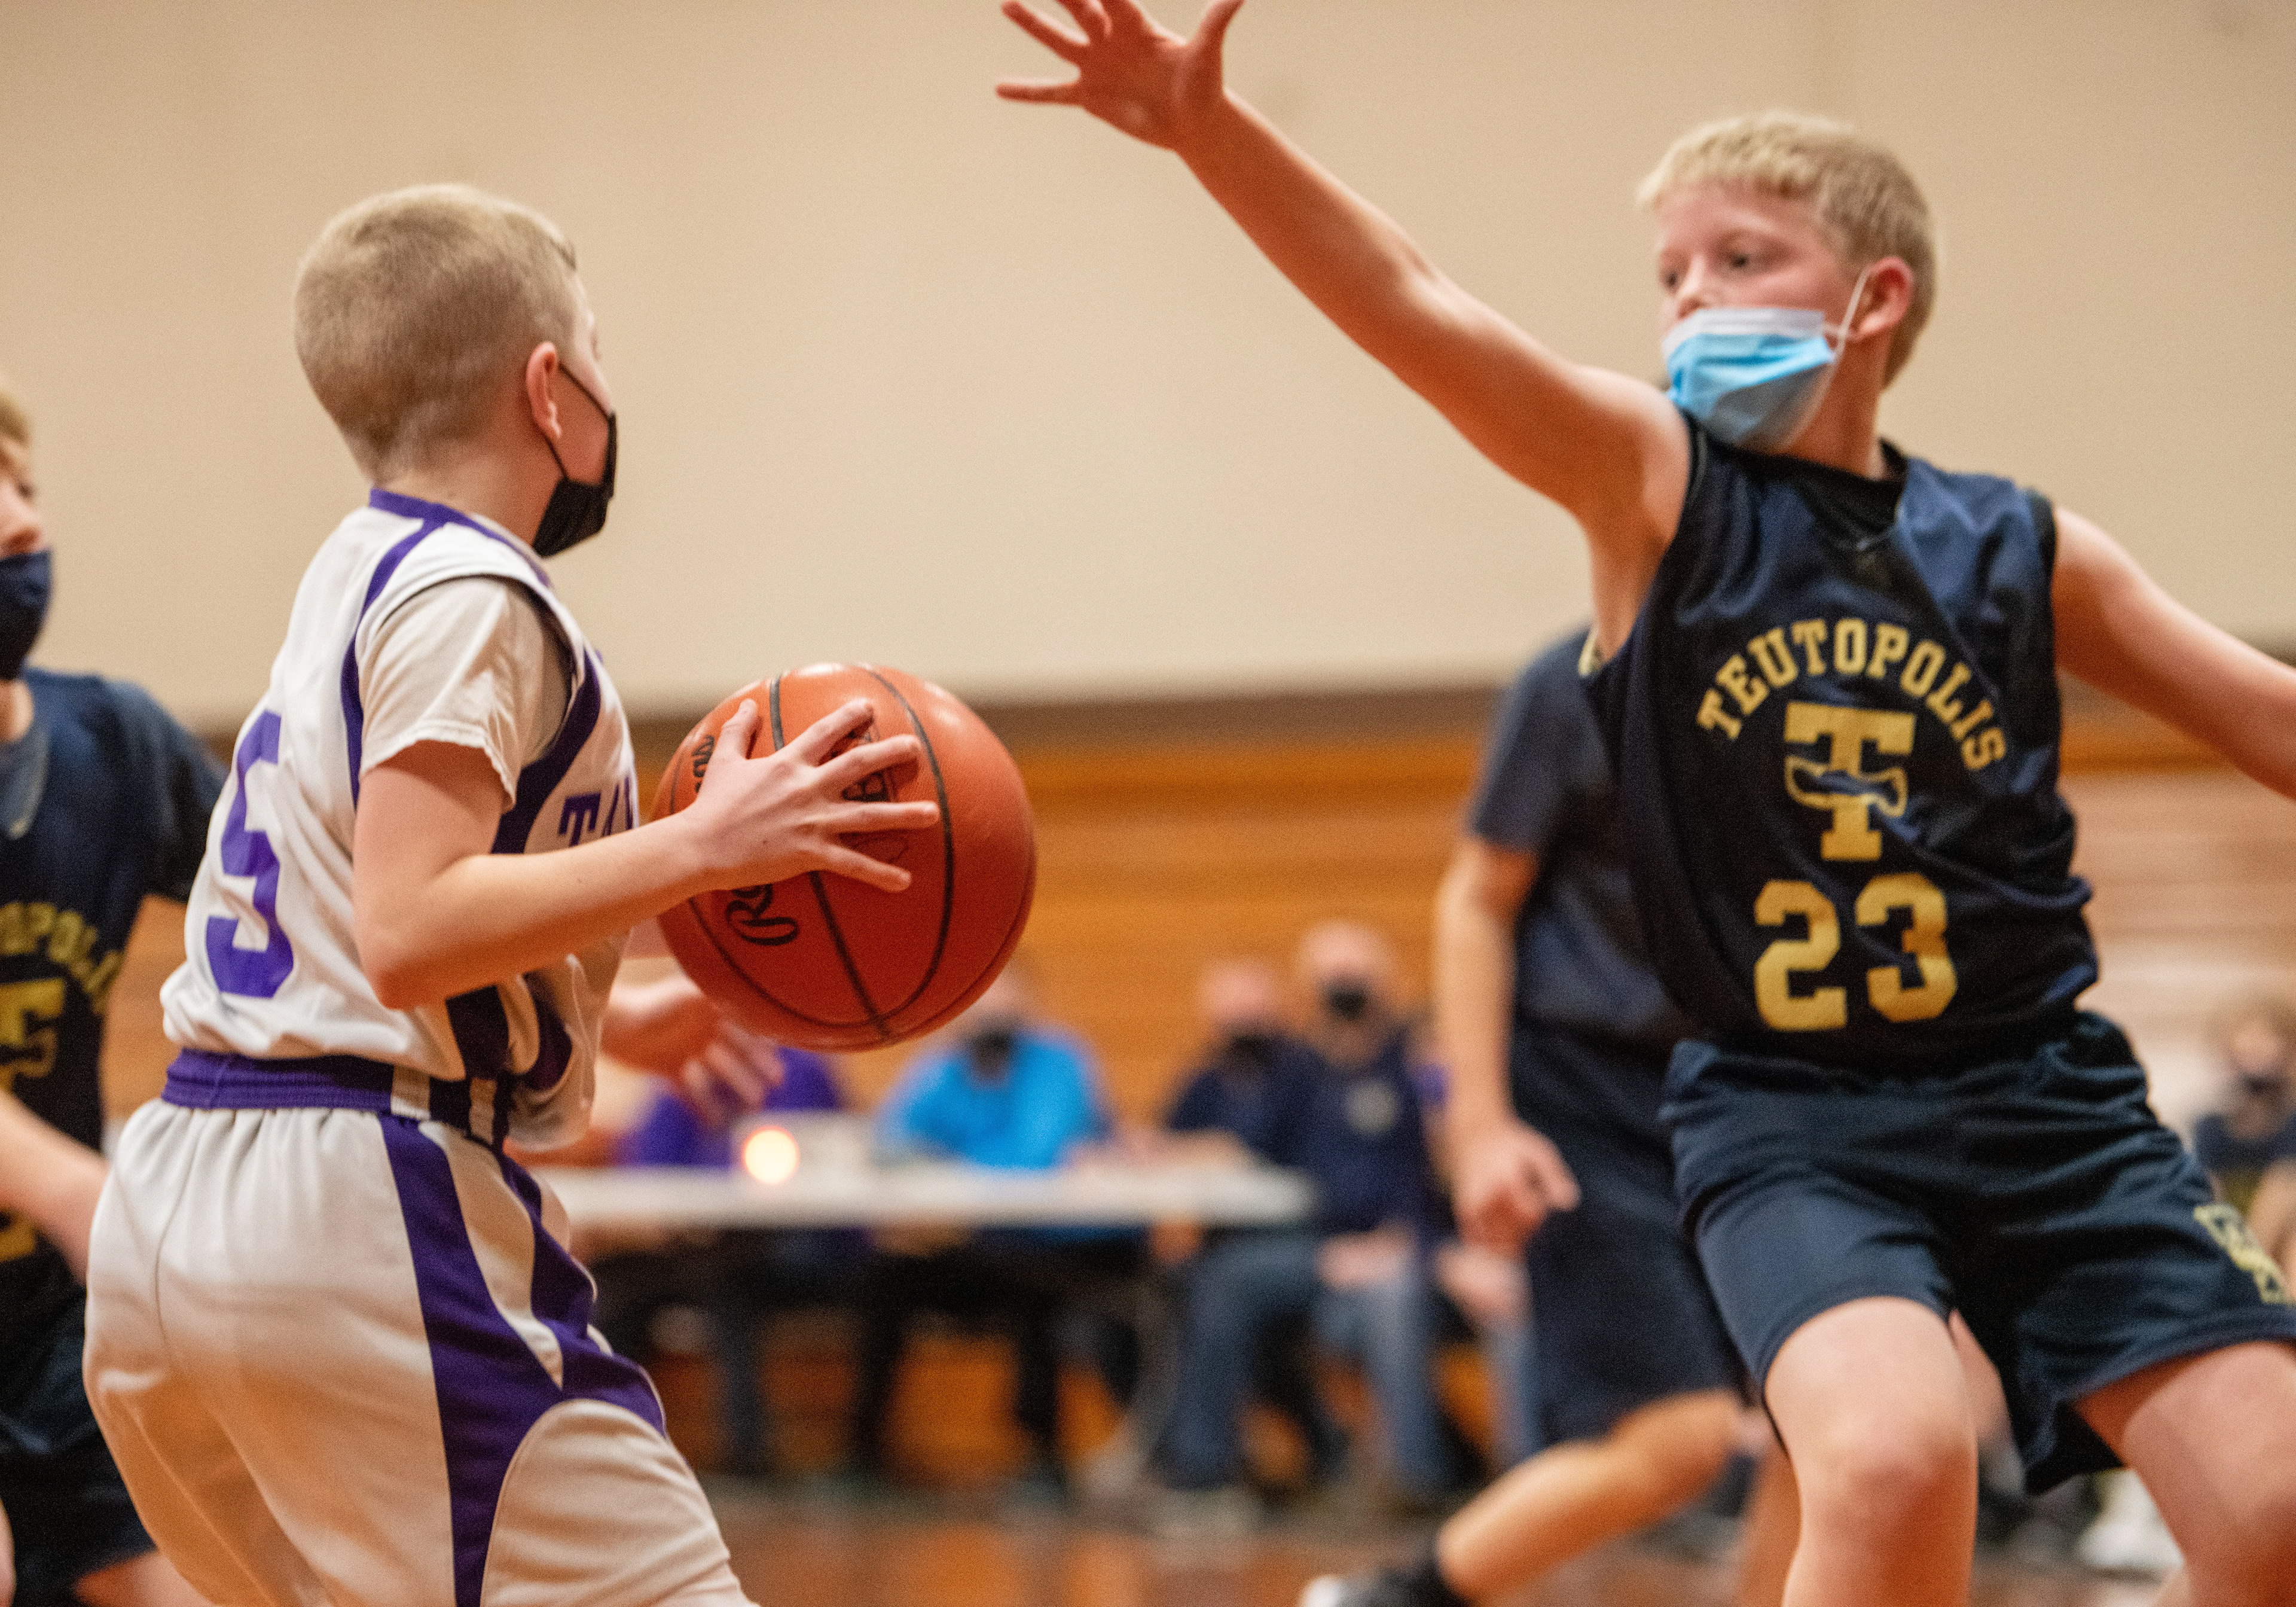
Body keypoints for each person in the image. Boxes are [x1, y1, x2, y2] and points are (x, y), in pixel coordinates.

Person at [997, 9, 2296, 1604]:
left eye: (1741, 260)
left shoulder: (2020, 549)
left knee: (2276, 1502)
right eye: (1671, 274)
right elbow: (1413, 301)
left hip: (2048, 1097)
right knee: (1893, 1461)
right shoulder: (1656, 488)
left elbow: (2267, 715)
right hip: (1799, 1115)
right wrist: (1214, 134)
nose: (1691, 300)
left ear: (1874, 299)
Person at [79, 185, 941, 1607]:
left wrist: (600, 1008)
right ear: (550, 386)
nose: (608, 378)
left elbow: (357, 894)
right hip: (355, 1209)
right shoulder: (475, 591)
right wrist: (705, 844)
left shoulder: (357, 568)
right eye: (595, 343)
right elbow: (408, 926)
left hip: (185, 1187)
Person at [1301, 630, 1756, 1607]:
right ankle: (1400, 1596)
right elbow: (1477, 897)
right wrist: (1481, 1127)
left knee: (1826, 1419)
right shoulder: (1569, 687)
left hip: (1753, 1091)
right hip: (1589, 1095)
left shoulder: (1826, 670)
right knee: (1680, 1435)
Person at [0, 377, 219, 1607]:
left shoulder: (117, 746)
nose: (23, 521)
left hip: (45, 1315)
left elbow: (327, 926)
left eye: (26, 486)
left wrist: (599, 1015)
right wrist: (70, 1184)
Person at [1160, 932, 1453, 1520]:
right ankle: (1202, 1474)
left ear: (1386, 983)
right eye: (1329, 979)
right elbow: (1252, 1139)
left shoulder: (1415, 1065)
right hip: (1321, 1246)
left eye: (1356, 976)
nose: (1343, 992)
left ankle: (1417, 1482)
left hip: (1402, 1245)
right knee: (1222, 1275)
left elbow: (1436, 1172)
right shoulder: (1301, 1070)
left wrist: (1402, 1242)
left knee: (1392, 1297)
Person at [851, 965, 1141, 1499]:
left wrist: (944, 1159)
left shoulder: (1059, 1064)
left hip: (1068, 1251)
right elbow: (889, 1143)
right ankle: (862, 1453)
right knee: (889, 1278)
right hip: (985, 1245)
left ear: (1027, 1008)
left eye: (1002, 1006)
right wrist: (947, 1160)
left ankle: (1044, 1458)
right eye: (979, 1007)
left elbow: (1036, 1158)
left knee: (1034, 1291)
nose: (990, 1019)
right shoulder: (946, 1067)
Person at [587, 1033, 862, 1478]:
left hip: (794, 1251)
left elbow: (815, 1162)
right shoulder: (691, 1065)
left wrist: (714, 1157)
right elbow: (644, 1160)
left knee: (730, 1289)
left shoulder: (803, 1068)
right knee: (609, 1287)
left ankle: (747, 1454)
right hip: (702, 1251)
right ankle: (606, 1452)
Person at [2191, 997, 2296, 1218]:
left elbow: (2281, 1189)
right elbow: (2208, 1198)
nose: (2255, 1046)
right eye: (2246, 1036)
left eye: (2268, 1036)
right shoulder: (2211, 1127)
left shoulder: (2291, 1123)